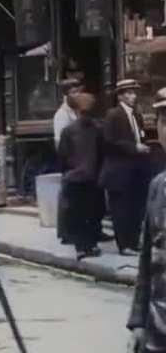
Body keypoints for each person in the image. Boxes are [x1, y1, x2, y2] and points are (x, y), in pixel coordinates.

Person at [127, 87, 166, 353]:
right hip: (161, 326)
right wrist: (138, 321)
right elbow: (145, 261)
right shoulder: (158, 186)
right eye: (165, 121)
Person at [100, 79, 150, 255]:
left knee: (135, 207)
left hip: (135, 169)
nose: (132, 96)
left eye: (134, 93)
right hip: (118, 170)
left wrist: (142, 146)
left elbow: (140, 136)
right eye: (128, 93)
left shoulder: (137, 115)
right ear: (120, 95)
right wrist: (133, 147)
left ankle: (134, 242)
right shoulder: (113, 114)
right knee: (121, 209)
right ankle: (124, 245)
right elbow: (108, 141)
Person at [58, 93, 105, 260]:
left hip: (74, 178)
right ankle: (90, 245)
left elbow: (62, 156)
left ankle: (81, 247)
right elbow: (101, 154)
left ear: (76, 110)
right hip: (92, 178)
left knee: (77, 214)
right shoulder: (98, 129)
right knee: (92, 213)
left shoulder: (68, 131)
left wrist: (68, 172)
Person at [53, 78, 83, 244]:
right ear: (66, 94)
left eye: (78, 91)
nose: (77, 94)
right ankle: (67, 234)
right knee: (68, 198)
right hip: (71, 161)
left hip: (80, 160)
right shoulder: (61, 115)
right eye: (73, 92)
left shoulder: (76, 111)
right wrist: (68, 161)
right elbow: (59, 142)